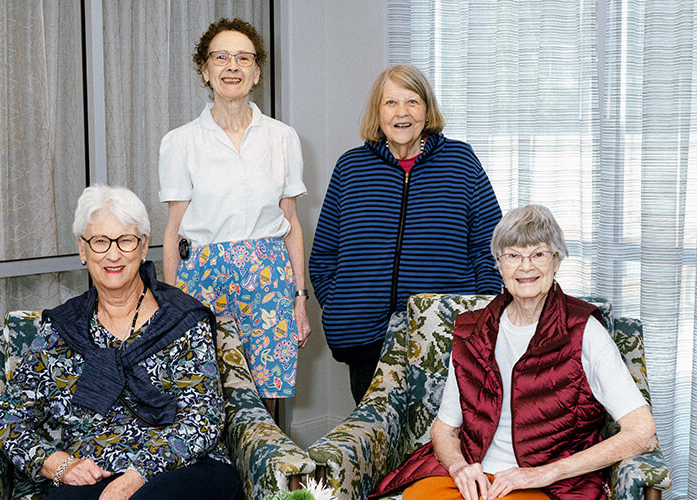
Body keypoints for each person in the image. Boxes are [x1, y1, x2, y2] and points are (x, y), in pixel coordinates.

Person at [372, 204, 658, 500]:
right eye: (513, 255)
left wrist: (543, 473)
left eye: (538, 254)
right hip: (472, 477)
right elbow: (443, 429)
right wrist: (459, 467)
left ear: (557, 260)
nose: (525, 267)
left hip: (543, 486)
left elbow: (641, 432)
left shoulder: (584, 331)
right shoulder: (474, 331)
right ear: (498, 263)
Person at [0, 185, 242, 500]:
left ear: (144, 246)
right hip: (93, 475)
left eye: (125, 240)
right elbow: (4, 416)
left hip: (182, 468)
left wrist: (138, 476)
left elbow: (204, 418)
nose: (113, 254)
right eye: (100, 241)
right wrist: (57, 463)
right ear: (83, 249)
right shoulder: (62, 330)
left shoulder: (182, 319)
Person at [309, 64, 503, 404]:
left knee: (444, 440)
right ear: (378, 112)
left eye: (412, 102)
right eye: (391, 103)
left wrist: (480, 309)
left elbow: (491, 246)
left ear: (427, 111)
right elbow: (324, 254)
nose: (402, 113)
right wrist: (340, 304)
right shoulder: (351, 168)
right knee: (380, 440)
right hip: (364, 336)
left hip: (445, 332)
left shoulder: (460, 161)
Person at [158, 18, 310, 418]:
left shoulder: (282, 137)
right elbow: (173, 232)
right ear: (204, 70)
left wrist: (299, 298)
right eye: (221, 57)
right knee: (201, 397)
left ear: (257, 71)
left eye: (244, 58)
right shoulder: (180, 143)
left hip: (269, 278)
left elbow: (291, 223)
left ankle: (265, 480)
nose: (232, 66)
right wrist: (169, 305)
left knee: (263, 406)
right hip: (202, 278)